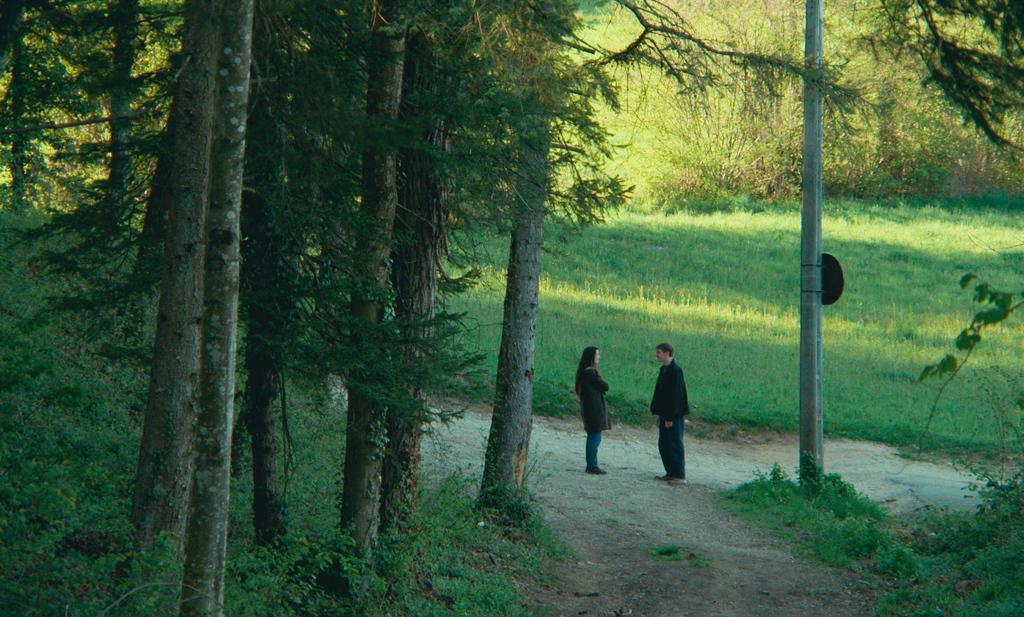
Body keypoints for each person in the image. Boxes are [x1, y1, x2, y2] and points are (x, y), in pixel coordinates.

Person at [650, 342, 689, 485]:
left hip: (673, 415)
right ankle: (670, 473)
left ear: (667, 353)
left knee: (674, 443)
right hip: (665, 414)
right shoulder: (664, 369)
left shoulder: (675, 371)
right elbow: (660, 393)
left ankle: (679, 475)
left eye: (659, 352)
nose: (657, 355)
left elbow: (676, 396)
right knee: (664, 444)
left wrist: (669, 417)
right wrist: (657, 411)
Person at [575, 346, 611, 475]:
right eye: (597, 355)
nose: (598, 357)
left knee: (592, 436)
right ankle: (592, 465)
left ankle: (591, 464)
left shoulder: (583, 372)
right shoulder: (591, 373)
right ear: (592, 357)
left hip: (589, 409)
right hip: (594, 410)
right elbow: (605, 386)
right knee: (595, 437)